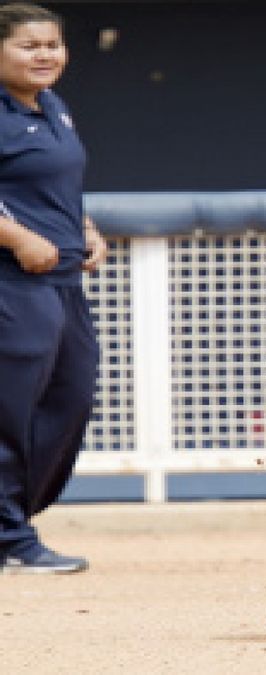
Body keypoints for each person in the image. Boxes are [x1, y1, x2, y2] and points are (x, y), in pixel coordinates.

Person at [0, 3, 106, 574]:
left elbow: (57, 184)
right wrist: (14, 236)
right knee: (8, 409)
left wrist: (85, 228)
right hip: (11, 282)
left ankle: (12, 522)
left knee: (69, 399)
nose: (45, 55)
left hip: (63, 281)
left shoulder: (52, 107)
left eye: (54, 45)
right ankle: (9, 537)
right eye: (28, 45)